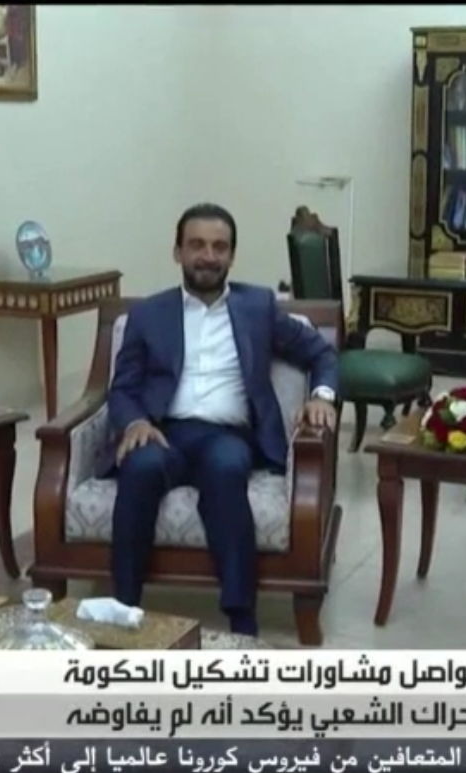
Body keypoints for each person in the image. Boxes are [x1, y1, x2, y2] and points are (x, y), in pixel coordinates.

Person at [107, 203, 340, 636]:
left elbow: (321, 352)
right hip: (164, 431)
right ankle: (124, 606)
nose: (208, 256)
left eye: (219, 247)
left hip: (227, 434)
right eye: (197, 245)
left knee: (226, 468)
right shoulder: (148, 314)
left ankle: (241, 615)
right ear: (177, 252)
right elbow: (122, 388)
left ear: (232, 255)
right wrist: (135, 422)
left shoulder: (258, 306)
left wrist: (322, 396)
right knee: (139, 468)